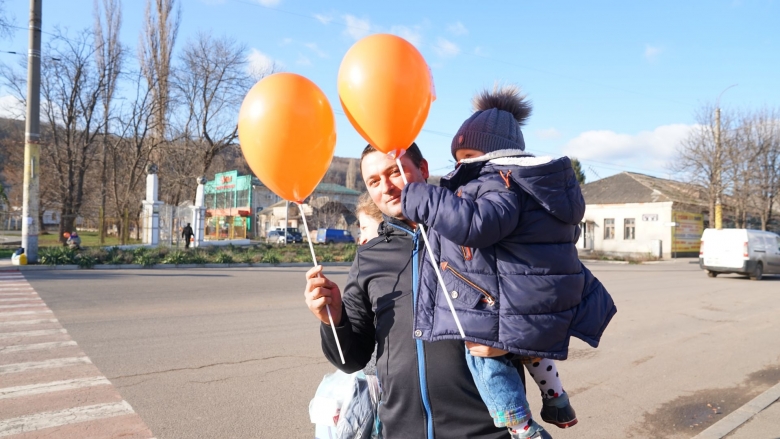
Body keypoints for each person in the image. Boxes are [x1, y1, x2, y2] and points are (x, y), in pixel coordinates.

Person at [400, 85, 617, 438]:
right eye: (457, 156)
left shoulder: (499, 181)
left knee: (482, 351)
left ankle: (519, 426)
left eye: (467, 153)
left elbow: (477, 224)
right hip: (536, 294)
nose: (460, 163)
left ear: (492, 152)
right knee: (527, 346)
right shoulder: (535, 184)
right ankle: (556, 397)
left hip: (517, 296)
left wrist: (423, 199)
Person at [305, 143, 525, 439]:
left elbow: (543, 304)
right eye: (373, 181)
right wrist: (332, 319)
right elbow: (352, 359)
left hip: (486, 431)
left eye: (394, 172)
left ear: (423, 170)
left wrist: (509, 343)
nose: (385, 187)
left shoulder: (474, 232)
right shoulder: (369, 256)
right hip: (400, 431)